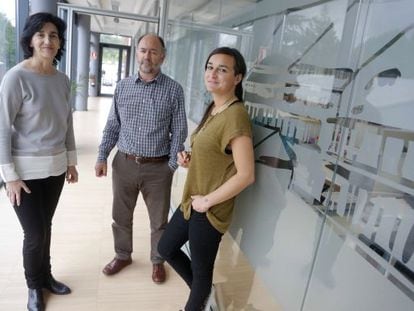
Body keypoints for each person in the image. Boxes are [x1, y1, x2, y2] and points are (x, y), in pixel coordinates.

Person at [158, 47, 255, 310]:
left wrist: (208, 201)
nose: (212, 73)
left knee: (201, 273)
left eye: (222, 69)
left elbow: (246, 175)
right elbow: (217, 156)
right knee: (166, 248)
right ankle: (203, 296)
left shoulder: (236, 116)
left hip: (209, 209)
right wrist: (190, 161)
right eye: (209, 67)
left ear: (237, 78)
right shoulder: (214, 107)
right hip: (193, 200)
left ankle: (198, 301)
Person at [0, 12, 78, 311]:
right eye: (41, 34)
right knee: (33, 234)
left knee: (45, 226)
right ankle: (34, 286)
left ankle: (46, 277)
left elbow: (67, 123)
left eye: (54, 35)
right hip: (24, 172)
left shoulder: (62, 80)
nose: (48, 40)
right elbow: (2, 128)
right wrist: (10, 177)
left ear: (60, 43)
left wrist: (70, 161)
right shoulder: (16, 77)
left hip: (56, 168)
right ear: (31, 40)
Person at [95, 33, 187, 284]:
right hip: (124, 163)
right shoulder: (123, 86)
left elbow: (179, 130)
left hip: (158, 169)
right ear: (137, 53)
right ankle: (122, 255)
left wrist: (170, 166)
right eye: (143, 50)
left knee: (159, 222)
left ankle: (158, 261)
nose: (148, 56)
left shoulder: (174, 90)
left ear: (163, 56)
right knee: (121, 216)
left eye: (154, 51)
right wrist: (102, 155)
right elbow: (112, 124)